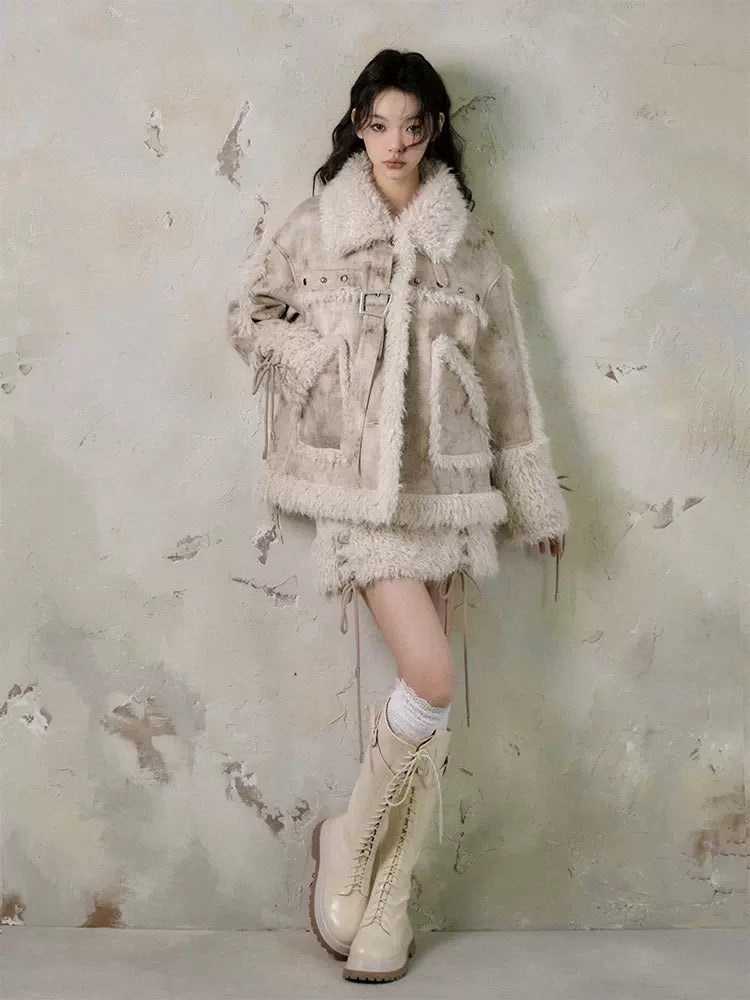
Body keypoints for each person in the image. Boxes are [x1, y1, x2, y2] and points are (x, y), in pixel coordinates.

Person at [226, 48, 569, 985]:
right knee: (433, 675)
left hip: (448, 485)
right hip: (358, 490)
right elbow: (250, 311)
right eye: (380, 126)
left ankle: (390, 896)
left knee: (431, 703)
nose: (396, 144)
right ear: (359, 126)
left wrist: (531, 492)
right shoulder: (320, 224)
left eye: (413, 127)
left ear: (434, 129)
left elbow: (507, 371)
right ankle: (347, 838)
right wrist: (317, 365)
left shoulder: (467, 240)